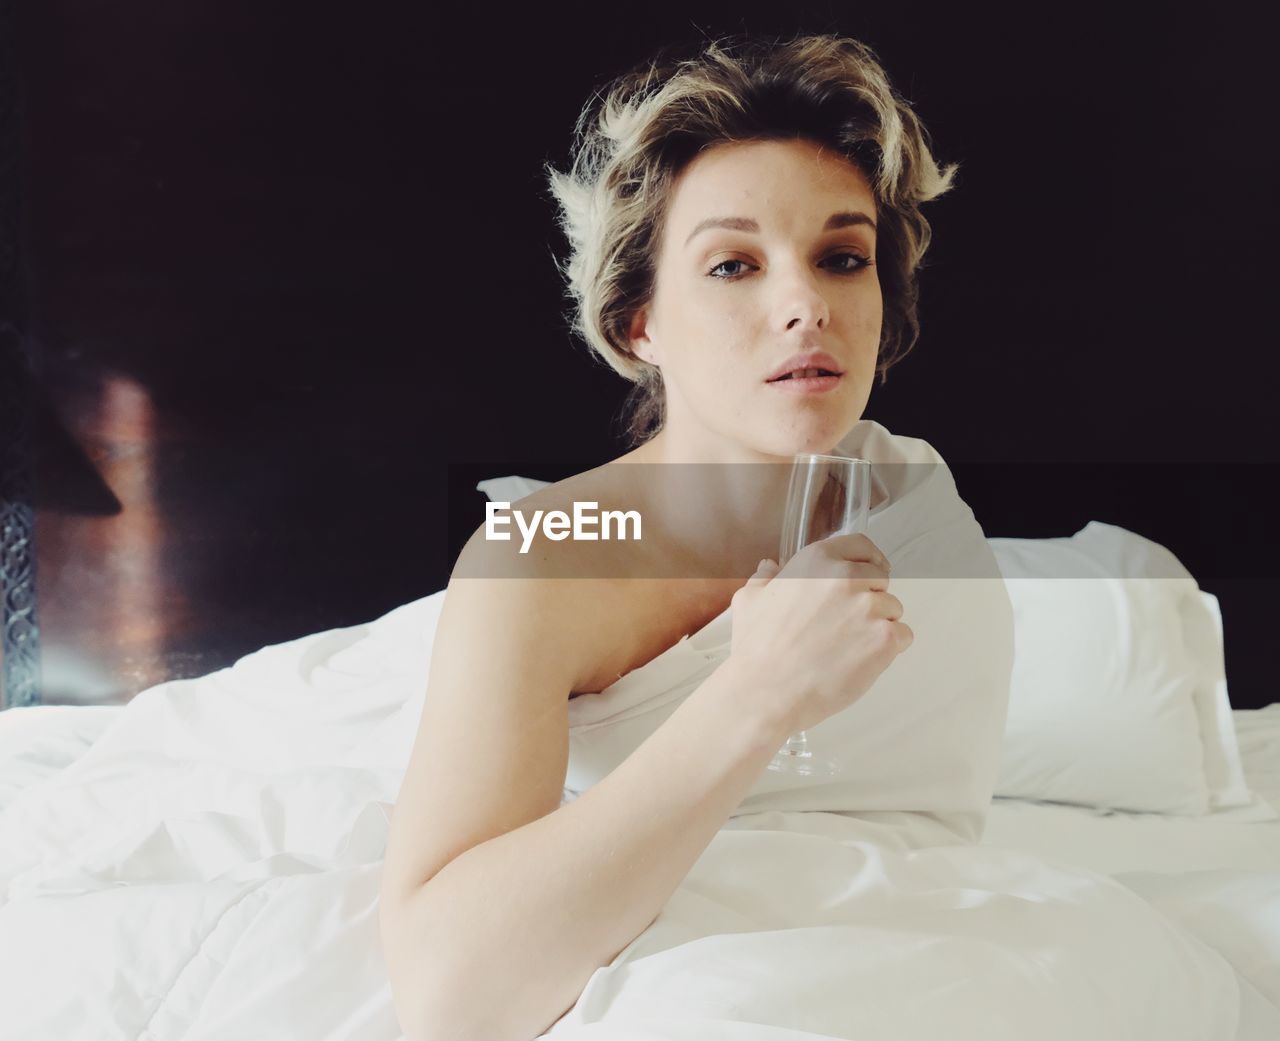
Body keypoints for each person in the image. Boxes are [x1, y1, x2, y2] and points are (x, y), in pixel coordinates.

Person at [379, 32, 1011, 1041]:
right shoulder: (544, 563)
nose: (804, 306)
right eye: (731, 265)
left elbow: (921, 826)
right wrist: (755, 695)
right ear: (639, 325)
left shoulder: (909, 504)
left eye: (840, 258)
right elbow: (450, 996)